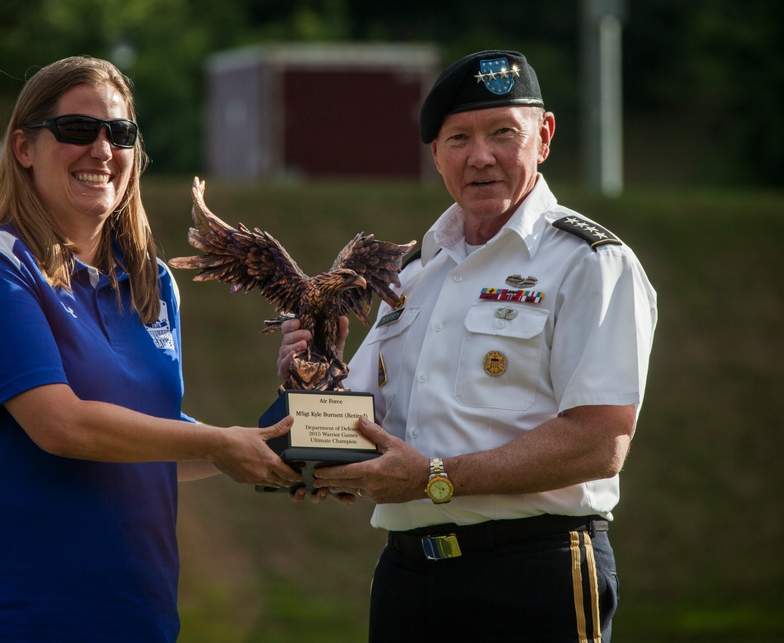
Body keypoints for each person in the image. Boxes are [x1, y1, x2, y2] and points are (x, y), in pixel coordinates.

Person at [0, 55, 300, 643]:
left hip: (136, 620)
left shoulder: (153, 282)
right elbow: (62, 426)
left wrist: (281, 440)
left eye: (119, 134)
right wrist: (222, 443)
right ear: (23, 147)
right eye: (77, 130)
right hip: (5, 616)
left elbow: (157, 437)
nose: (101, 150)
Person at [277, 50, 658, 642]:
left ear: (544, 136)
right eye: (458, 138)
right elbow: (361, 427)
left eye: (503, 132)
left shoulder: (592, 264)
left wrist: (435, 477)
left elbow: (599, 439)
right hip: (407, 577)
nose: (480, 156)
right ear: (436, 155)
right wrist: (309, 375)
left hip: (532, 573)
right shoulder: (408, 274)